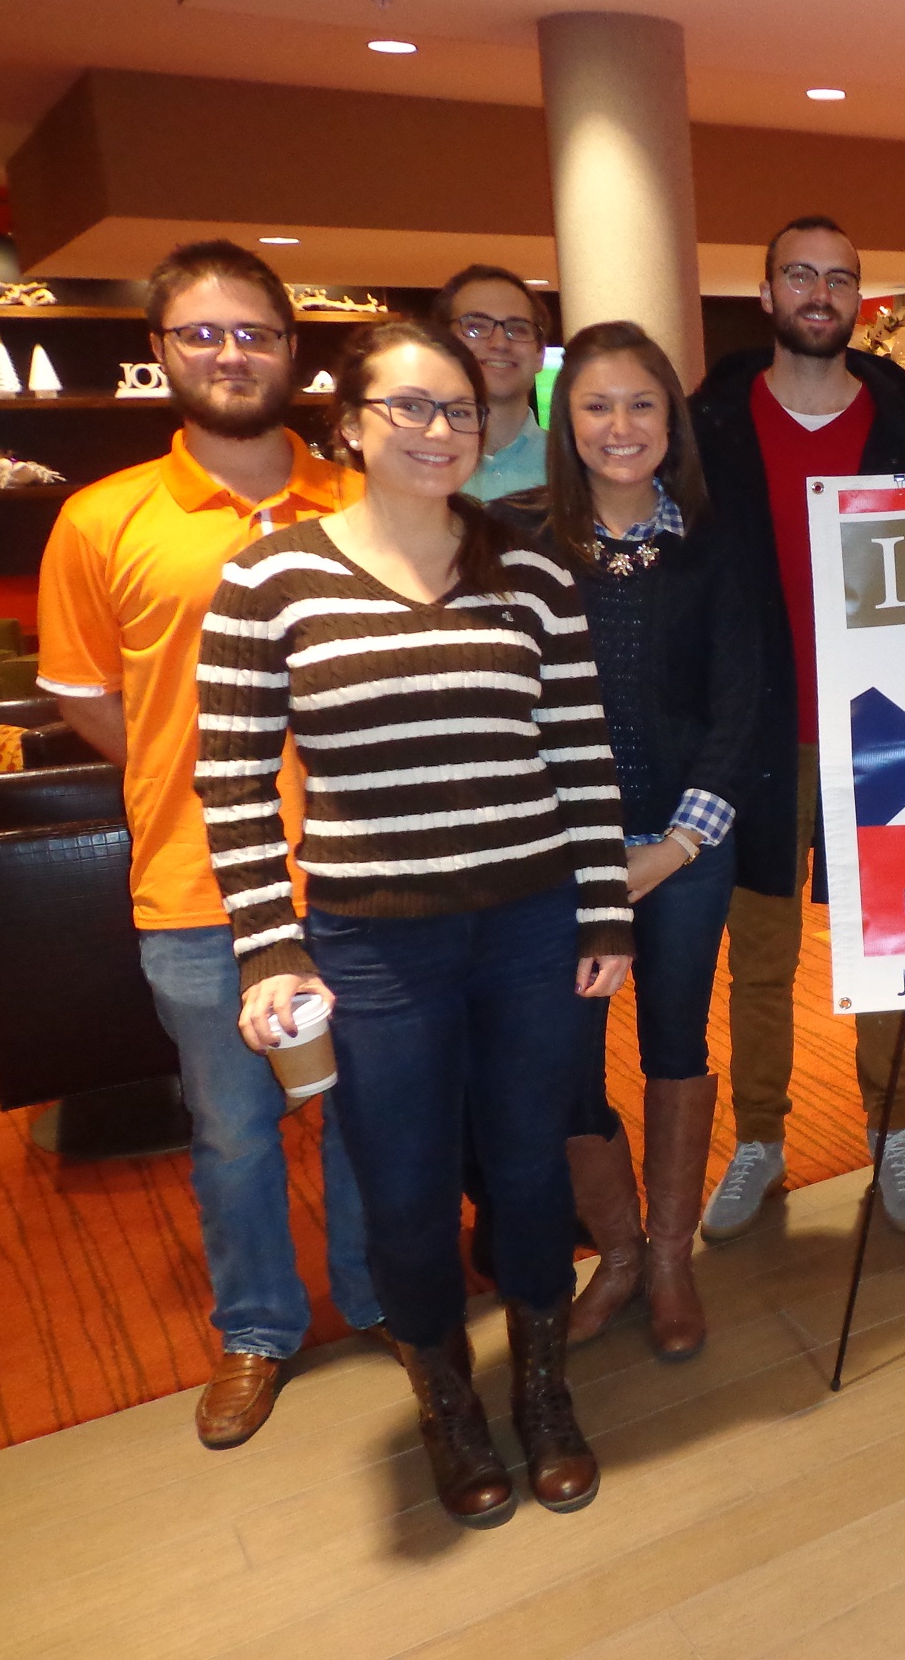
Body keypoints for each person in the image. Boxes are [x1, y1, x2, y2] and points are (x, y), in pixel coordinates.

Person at [194, 320, 633, 1527]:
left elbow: (580, 758)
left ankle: (543, 1386)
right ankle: (448, 1398)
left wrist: (606, 910)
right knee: (400, 1186)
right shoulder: (270, 580)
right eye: (410, 408)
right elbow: (229, 781)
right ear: (348, 424)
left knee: (534, 1168)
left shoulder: (532, 571)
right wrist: (270, 945)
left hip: (535, 929)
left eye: (459, 411)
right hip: (375, 946)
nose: (441, 431)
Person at [35, 239, 385, 1451]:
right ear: (161, 352)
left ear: (295, 353)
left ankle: (382, 1298)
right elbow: (94, 701)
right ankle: (257, 1328)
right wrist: (214, 774)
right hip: (200, 889)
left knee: (367, 1114)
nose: (232, 354)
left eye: (257, 333)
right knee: (233, 1125)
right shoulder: (103, 519)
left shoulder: (365, 499)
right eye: (204, 333)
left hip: (363, 881)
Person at [494, 321, 779, 1361]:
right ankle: (613, 1253)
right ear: (564, 422)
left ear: (673, 420)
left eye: (641, 404)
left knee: (674, 1044)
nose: (620, 426)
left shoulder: (717, 539)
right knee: (564, 1067)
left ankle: (668, 1257)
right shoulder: (515, 541)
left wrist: (671, 848)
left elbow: (742, 702)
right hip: (552, 861)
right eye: (596, 406)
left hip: (680, 847)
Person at [687, 215, 905, 1239]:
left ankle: (894, 1132)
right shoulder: (703, 431)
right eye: (798, 275)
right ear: (765, 295)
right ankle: (761, 1141)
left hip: (886, 731)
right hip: (754, 739)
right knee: (759, 954)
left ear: (859, 300)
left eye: (839, 278)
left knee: (885, 946)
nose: (819, 293)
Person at [434, 264, 549, 500]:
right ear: (441, 344)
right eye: (476, 327)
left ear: (540, 354)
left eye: (518, 329)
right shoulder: (415, 462)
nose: (500, 343)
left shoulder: (580, 467)